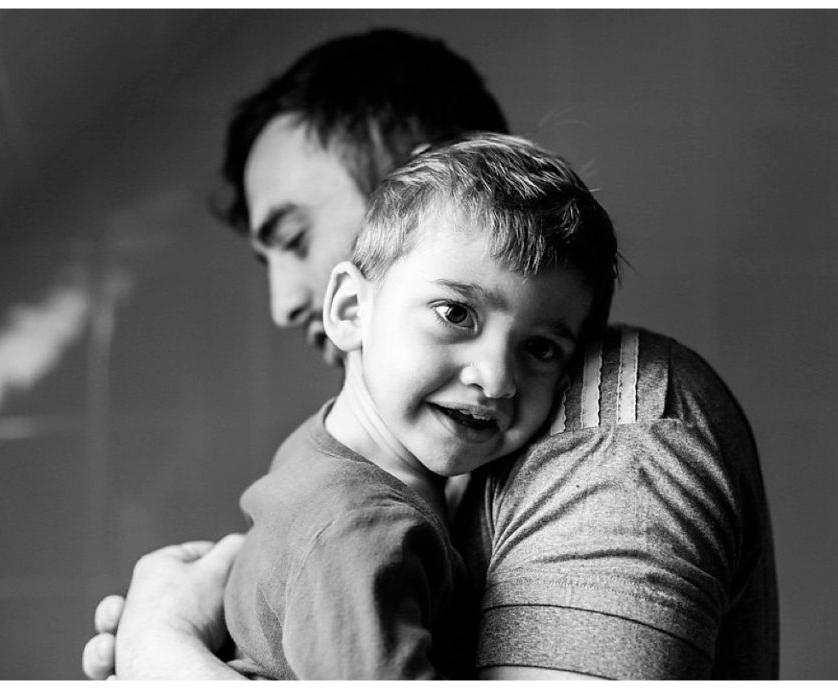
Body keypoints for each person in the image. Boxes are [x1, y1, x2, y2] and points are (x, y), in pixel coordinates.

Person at [82, 27, 778, 680]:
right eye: (456, 315)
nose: (282, 302)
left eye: (294, 237)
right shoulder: (377, 486)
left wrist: (161, 650)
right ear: (351, 307)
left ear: (431, 179)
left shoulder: (618, 430)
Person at [224, 133, 618, 679]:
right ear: (348, 309)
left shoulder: (320, 451)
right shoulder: (360, 532)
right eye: (456, 314)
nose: (498, 379)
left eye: (540, 349)